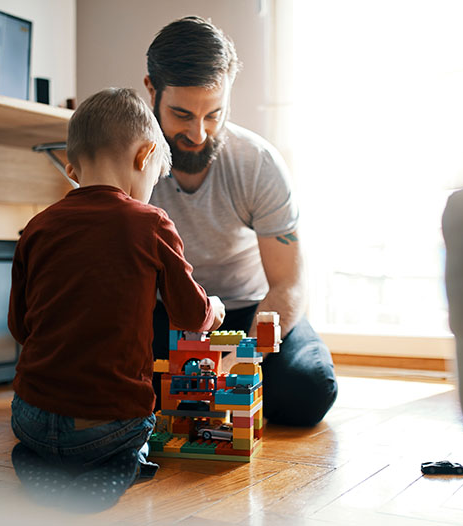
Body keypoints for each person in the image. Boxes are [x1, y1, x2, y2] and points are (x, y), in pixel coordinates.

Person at [7, 87, 226, 509]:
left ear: (73, 169)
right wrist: (212, 308)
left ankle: (34, 458)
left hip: (30, 417)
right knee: (140, 433)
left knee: (35, 440)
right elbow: (188, 314)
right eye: (153, 178)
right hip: (105, 426)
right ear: (144, 157)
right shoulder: (150, 223)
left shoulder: (36, 228)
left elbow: (20, 327)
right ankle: (120, 465)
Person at [144, 16, 338, 427]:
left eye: (214, 114)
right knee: (133, 390)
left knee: (307, 391)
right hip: (169, 313)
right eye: (181, 115)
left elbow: (288, 282)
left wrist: (245, 355)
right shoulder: (132, 165)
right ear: (151, 91)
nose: (198, 133)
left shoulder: (257, 163)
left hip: (250, 310)